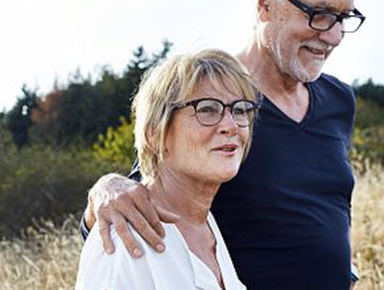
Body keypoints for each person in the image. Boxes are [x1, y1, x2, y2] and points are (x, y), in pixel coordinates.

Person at [80, 0, 368, 288]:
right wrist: (105, 188)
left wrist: (344, 271)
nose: (334, 35)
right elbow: (148, 187)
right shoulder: (212, 104)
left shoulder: (339, 100)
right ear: (265, 2)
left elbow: (331, 208)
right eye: (318, 14)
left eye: (343, 17)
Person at [75, 49, 257, 290]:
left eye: (240, 110)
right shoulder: (122, 240)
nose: (231, 125)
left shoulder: (207, 226)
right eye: (207, 109)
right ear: (155, 133)